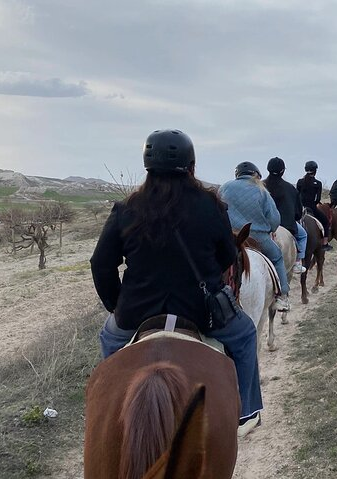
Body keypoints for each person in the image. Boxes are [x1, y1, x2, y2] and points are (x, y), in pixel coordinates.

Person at [90, 128, 263, 436]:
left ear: (147, 166)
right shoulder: (212, 206)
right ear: (191, 166)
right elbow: (226, 256)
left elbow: (101, 264)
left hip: (136, 311)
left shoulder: (125, 209)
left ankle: (109, 406)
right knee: (246, 335)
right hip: (201, 311)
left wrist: (117, 304)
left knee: (110, 339)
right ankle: (246, 411)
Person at [218, 161, 292, 312]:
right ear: (256, 176)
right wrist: (270, 229)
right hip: (257, 238)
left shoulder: (224, 187)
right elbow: (274, 220)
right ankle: (282, 295)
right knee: (277, 256)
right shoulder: (261, 190)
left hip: (229, 237)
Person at [263, 157, 307, 274]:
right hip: (286, 224)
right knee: (303, 235)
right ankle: (297, 262)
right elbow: (298, 213)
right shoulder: (290, 188)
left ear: (268, 169)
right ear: (283, 171)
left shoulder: (260, 186)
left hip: (263, 225)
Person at [296, 161, 333, 252]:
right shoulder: (318, 183)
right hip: (312, 207)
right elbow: (317, 199)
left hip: (300, 208)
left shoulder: (300, 182)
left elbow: (297, 195)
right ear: (315, 171)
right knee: (326, 222)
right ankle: (325, 243)